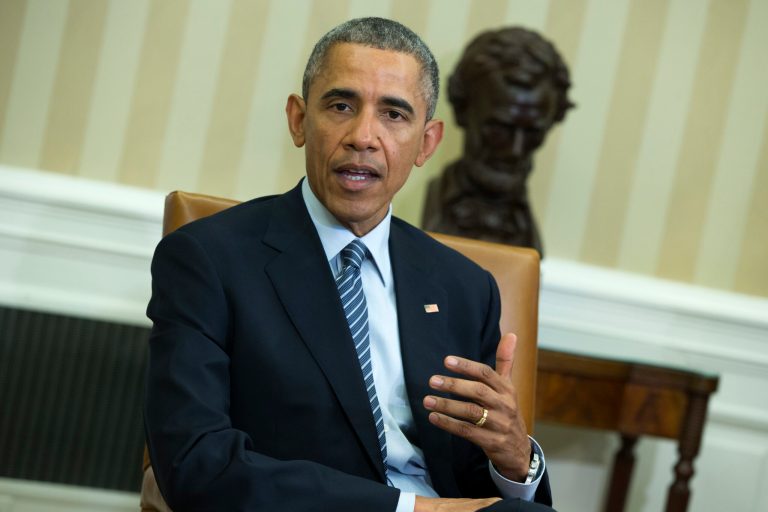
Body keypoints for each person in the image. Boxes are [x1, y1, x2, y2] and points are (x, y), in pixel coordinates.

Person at [145, 18, 553, 512]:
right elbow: (196, 463)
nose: (363, 136)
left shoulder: (464, 287)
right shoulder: (208, 259)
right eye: (341, 106)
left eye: (394, 114)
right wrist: (413, 510)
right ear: (298, 120)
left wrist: (514, 461)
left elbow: (473, 481)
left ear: (426, 143)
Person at [422, 27, 574, 257]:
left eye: (533, 132)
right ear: (462, 109)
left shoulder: (525, 228)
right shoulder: (436, 205)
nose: (515, 150)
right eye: (499, 129)